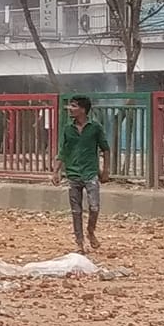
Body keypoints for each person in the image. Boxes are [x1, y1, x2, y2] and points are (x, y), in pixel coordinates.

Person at [56, 94, 111, 255]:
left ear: (83, 109)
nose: (70, 109)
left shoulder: (95, 128)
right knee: (76, 211)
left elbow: (105, 149)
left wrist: (105, 170)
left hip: (90, 172)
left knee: (94, 207)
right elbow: (62, 151)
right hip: (73, 173)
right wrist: (56, 171)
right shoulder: (67, 129)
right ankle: (79, 242)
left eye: (73, 106)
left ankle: (90, 231)